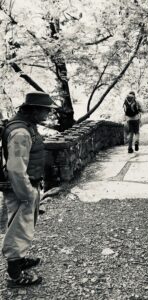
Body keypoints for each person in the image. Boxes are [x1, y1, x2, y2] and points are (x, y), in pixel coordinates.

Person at [1, 91, 55, 288]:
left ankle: (19, 258)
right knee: (18, 228)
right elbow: (15, 168)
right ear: (33, 110)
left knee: (23, 226)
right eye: (45, 110)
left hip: (25, 186)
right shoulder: (21, 132)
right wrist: (27, 195)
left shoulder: (25, 126)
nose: (48, 114)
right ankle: (15, 274)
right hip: (21, 189)